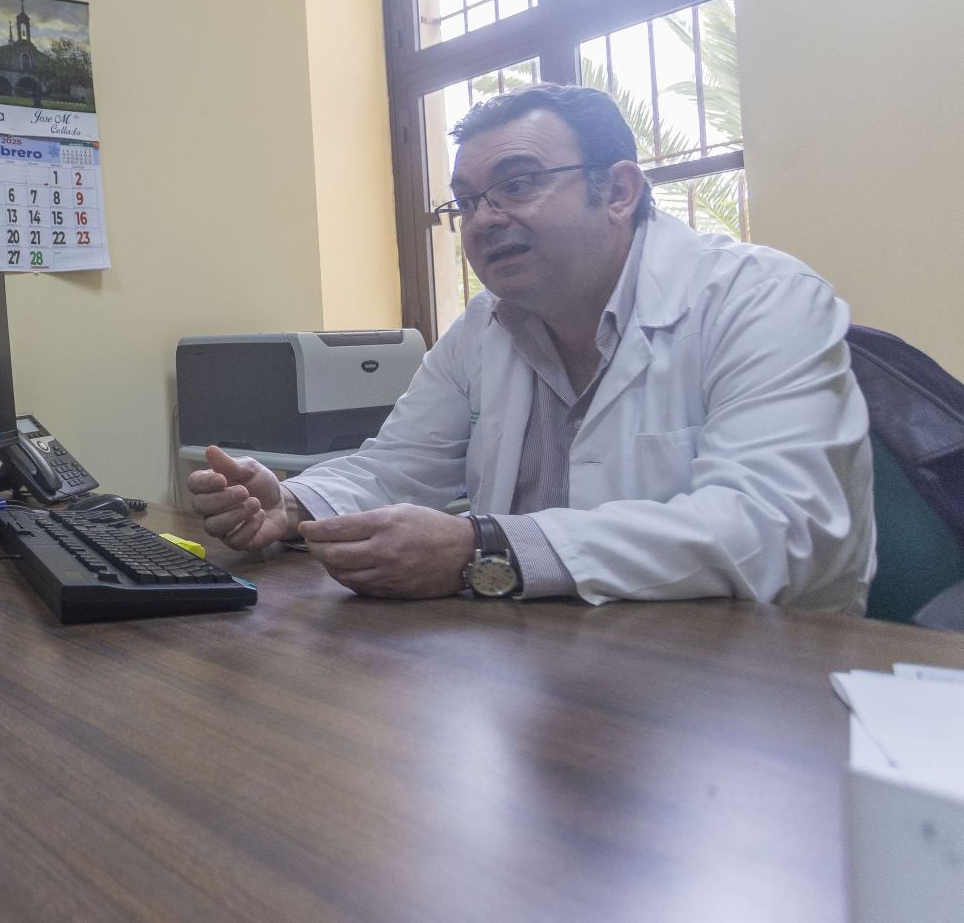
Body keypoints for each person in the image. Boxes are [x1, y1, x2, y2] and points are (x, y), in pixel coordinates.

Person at [189, 83, 874, 612]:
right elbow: (397, 467)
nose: (485, 219)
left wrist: (482, 549)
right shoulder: (486, 325)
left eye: (517, 184)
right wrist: (291, 505)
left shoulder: (762, 298)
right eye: (466, 201)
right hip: (553, 666)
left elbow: (773, 529)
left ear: (619, 191)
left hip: (760, 688)